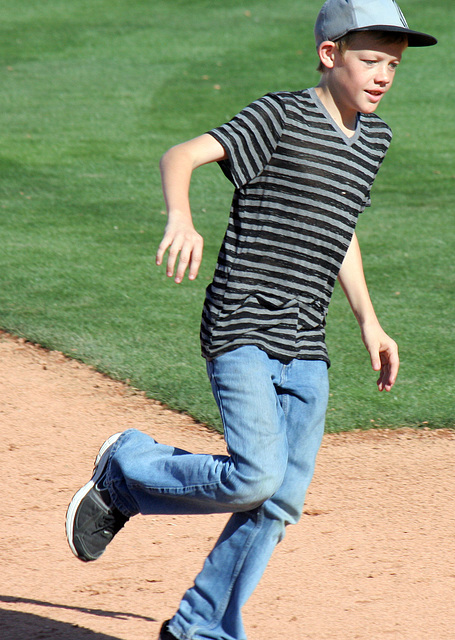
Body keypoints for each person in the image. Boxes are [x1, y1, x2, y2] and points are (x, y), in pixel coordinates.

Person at [65, 1, 436, 639]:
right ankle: (127, 471)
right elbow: (182, 155)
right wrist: (181, 218)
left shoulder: (374, 139)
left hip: (307, 342)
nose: (383, 75)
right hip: (243, 326)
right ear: (330, 55)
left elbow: (339, 226)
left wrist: (369, 321)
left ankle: (199, 628)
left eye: (393, 66)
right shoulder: (282, 115)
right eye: (371, 60)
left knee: (279, 500)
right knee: (255, 476)